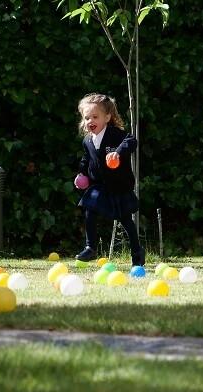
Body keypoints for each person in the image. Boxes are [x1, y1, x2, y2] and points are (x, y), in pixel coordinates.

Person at [74, 93, 145, 266]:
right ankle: (91, 247)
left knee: (126, 220)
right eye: (87, 117)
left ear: (107, 117)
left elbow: (132, 141)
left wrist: (118, 153)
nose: (90, 120)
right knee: (89, 208)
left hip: (119, 186)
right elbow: (86, 158)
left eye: (95, 116)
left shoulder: (115, 134)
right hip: (99, 185)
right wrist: (82, 173)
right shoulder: (87, 141)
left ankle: (137, 252)